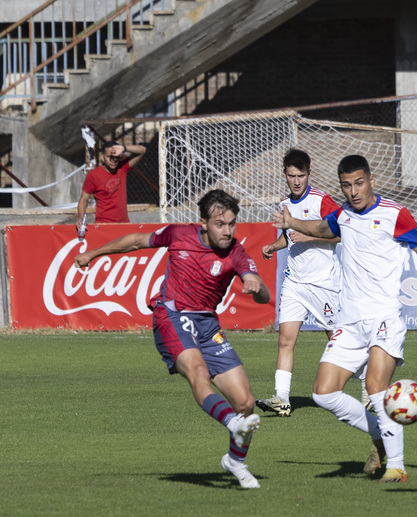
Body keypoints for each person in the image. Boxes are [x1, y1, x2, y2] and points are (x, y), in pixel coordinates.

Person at [276, 154, 417, 484]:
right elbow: (320, 227)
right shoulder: (342, 214)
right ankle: (382, 436)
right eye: (346, 185)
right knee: (323, 393)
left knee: (374, 386)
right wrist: (291, 222)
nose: (353, 191)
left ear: (371, 180)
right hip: (350, 323)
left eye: (358, 183)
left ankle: (396, 466)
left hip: (384, 318)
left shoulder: (394, 214)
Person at [75, 189, 271, 489]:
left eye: (232, 224)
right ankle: (232, 424)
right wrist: (93, 253)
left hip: (207, 324)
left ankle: (235, 461)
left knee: (245, 403)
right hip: (172, 315)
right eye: (220, 224)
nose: (227, 231)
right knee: (198, 372)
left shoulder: (236, 253)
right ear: (203, 223)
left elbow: (263, 295)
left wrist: (255, 286)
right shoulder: (179, 234)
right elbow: (137, 240)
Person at [255, 150, 342, 418]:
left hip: (323, 283)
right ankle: (282, 398)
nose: (296, 181)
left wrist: (311, 237)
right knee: (285, 340)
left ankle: (368, 390)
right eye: (291, 176)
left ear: (309, 174)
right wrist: (274, 245)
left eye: (301, 176)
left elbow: (342, 235)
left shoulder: (321, 201)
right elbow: (290, 237)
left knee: (338, 341)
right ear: (285, 174)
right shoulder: (284, 204)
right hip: (294, 283)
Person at [75, 140, 147, 236]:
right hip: (104, 226)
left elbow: (142, 150)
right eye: (110, 157)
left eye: (116, 157)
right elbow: (83, 200)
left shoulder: (122, 167)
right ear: (102, 158)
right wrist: (80, 217)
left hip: (124, 225)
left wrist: (124, 148)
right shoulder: (93, 175)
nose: (113, 160)